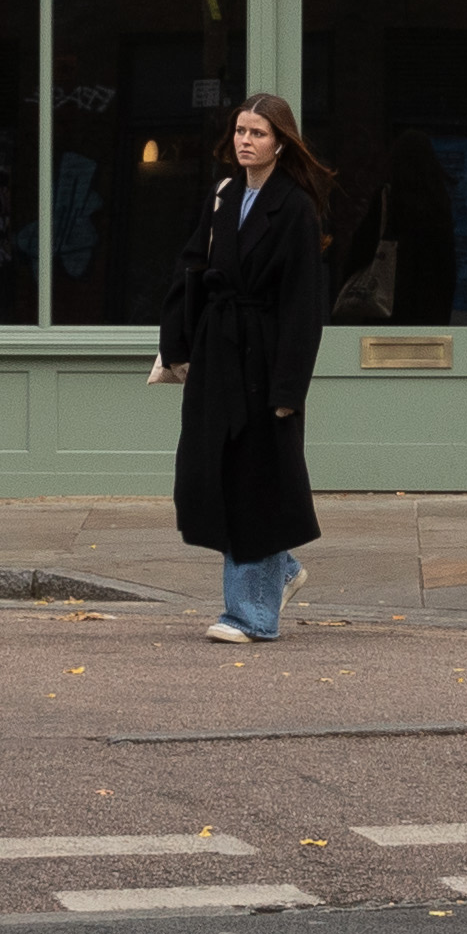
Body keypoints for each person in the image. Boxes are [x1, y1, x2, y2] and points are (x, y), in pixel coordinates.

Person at [157, 89, 336, 640]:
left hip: (264, 358)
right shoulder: (224, 196)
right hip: (218, 354)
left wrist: (288, 388)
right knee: (214, 474)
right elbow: (192, 268)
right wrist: (178, 345)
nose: (246, 141)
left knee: (256, 481)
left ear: (281, 143)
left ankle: (251, 614)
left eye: (258, 133)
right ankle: (279, 570)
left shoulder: (296, 208)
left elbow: (304, 305)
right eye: (240, 131)